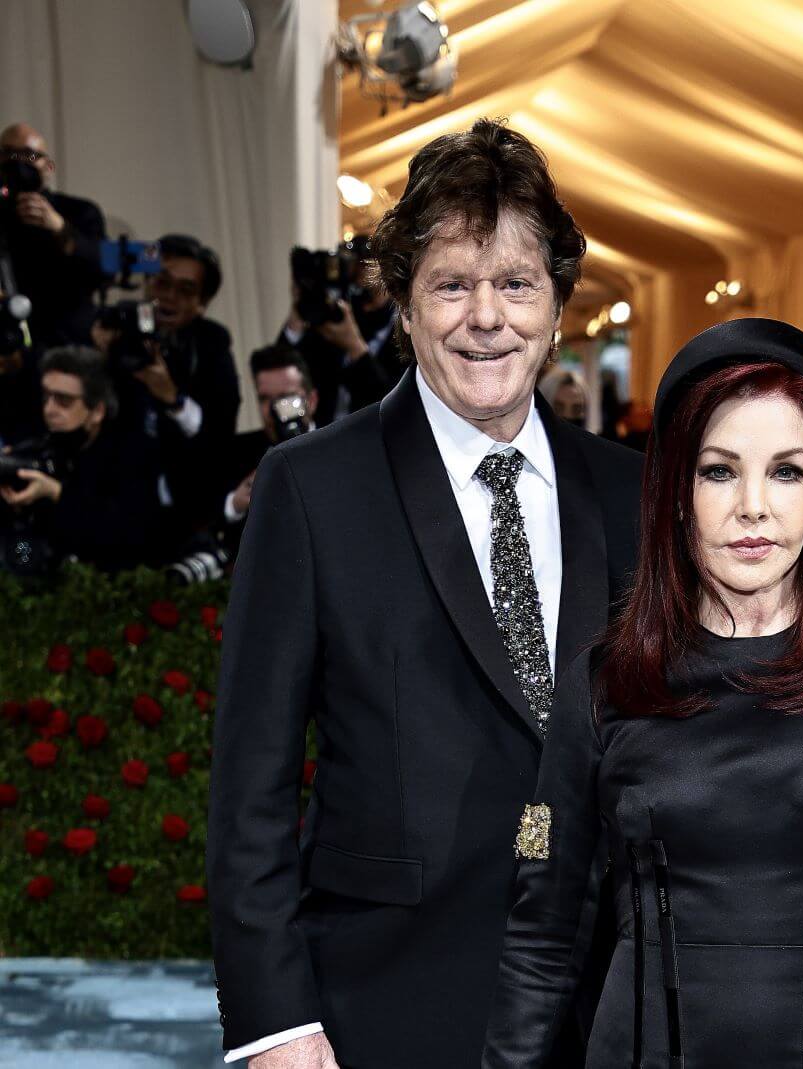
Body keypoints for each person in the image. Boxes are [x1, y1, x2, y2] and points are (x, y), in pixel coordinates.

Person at [207, 120, 643, 1069]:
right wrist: (275, 1022)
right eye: (452, 284)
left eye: (517, 283)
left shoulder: (628, 490)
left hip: (610, 1005)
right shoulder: (312, 488)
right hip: (389, 1001)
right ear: (403, 305)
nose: (487, 317)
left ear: (558, 305)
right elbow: (251, 786)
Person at [483, 318, 803, 1068]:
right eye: (718, 470)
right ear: (676, 492)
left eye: (786, 471)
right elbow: (544, 933)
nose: (753, 506)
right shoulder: (603, 680)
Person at [92, 232, 241, 530]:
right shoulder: (116, 326)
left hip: (182, 504)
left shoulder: (211, 344)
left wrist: (174, 399)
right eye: (162, 282)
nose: (169, 296)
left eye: (186, 290)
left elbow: (219, 434)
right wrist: (99, 358)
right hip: (112, 493)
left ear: (202, 302)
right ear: (146, 283)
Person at [0, 345, 163, 572]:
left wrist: (57, 494)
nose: (50, 409)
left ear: (97, 411)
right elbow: (23, 552)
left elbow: (126, 536)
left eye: (64, 401)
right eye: (46, 396)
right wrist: (16, 507)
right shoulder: (38, 447)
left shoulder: (131, 455)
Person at [0, 122, 106, 347]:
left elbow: (103, 270)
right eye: (8, 153)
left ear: (48, 166)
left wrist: (59, 228)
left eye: (28, 155)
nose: (18, 162)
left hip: (67, 343)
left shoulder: (80, 212)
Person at [280, 236, 400, 426]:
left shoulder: (405, 328)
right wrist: (298, 312)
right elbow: (282, 369)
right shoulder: (339, 316)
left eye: (368, 264)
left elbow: (393, 404)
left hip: (374, 439)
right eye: (354, 265)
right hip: (324, 432)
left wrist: (355, 347)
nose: (361, 274)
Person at [215, 343, 319, 559]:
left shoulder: (340, 444)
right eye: (265, 399)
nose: (274, 409)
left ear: (311, 400)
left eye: (285, 397)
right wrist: (236, 503)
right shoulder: (237, 453)